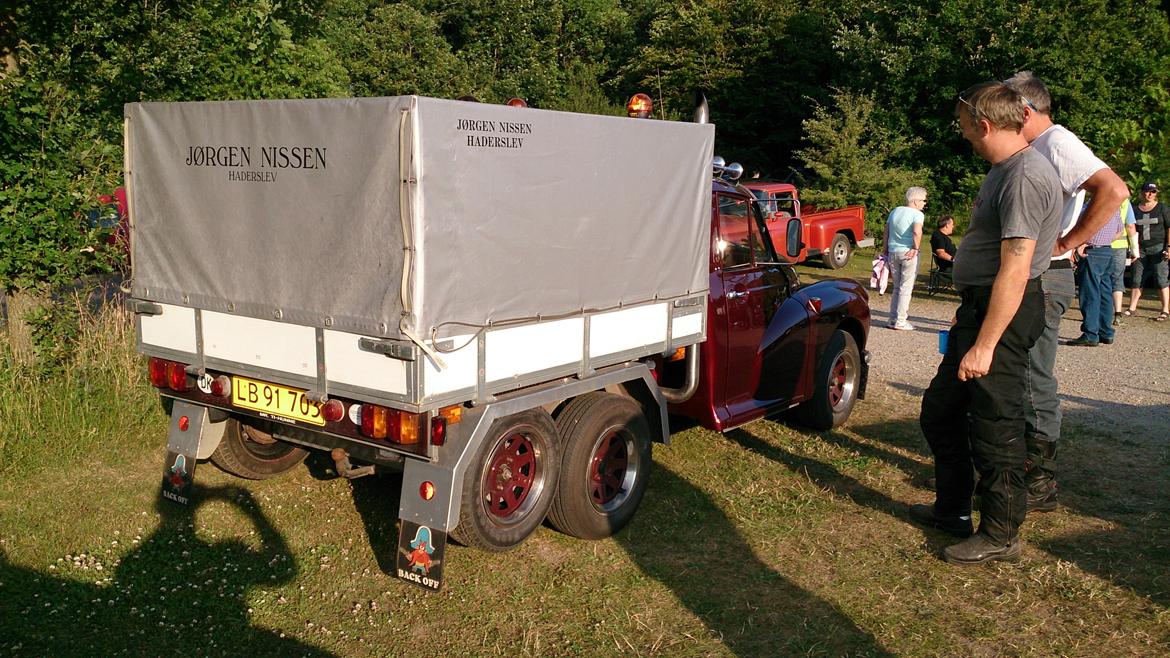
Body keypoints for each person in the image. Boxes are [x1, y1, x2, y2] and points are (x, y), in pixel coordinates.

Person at [912, 81, 1061, 565]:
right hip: (981, 308)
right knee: (941, 411)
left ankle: (1001, 533)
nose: (961, 133)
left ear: (984, 124)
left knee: (997, 424)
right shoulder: (1004, 169)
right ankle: (953, 510)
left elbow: (1016, 267)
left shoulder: (1024, 177)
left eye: (963, 124)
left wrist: (986, 343)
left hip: (1005, 314)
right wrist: (969, 311)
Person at [1003, 71, 1129, 512]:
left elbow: (1114, 189)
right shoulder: (1038, 146)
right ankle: (1011, 468)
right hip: (1032, 272)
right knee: (1014, 373)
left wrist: (1067, 242)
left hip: (1047, 274)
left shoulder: (1057, 143)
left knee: (1033, 376)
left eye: (1007, 110)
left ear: (1025, 111)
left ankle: (1040, 482)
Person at [1065, 203, 1124, 346]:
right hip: (1107, 250)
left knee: (1090, 292)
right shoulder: (1114, 206)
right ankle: (1106, 332)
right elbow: (1120, 231)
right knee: (1105, 292)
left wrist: (1082, 243)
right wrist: (1105, 240)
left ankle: (1090, 333)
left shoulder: (1092, 205)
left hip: (1092, 252)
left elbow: (1084, 227)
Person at [884, 187, 927, 330]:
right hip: (908, 252)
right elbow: (916, 232)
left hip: (893, 251)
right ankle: (901, 321)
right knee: (906, 288)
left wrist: (885, 249)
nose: (924, 203)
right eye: (923, 200)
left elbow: (886, 231)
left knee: (897, 287)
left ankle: (892, 318)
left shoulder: (895, 211)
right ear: (915, 201)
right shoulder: (917, 214)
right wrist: (916, 248)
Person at [1126, 182, 1170, 321]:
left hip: (1158, 248)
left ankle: (1165, 310)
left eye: (1153, 191)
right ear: (1142, 192)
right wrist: (1132, 248)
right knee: (1136, 278)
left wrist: (1168, 248)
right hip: (1140, 248)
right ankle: (1132, 308)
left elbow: (1169, 228)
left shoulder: (1162, 208)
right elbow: (1130, 227)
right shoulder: (1134, 209)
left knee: (1161, 278)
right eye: (1148, 191)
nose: (1150, 194)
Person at [1111, 201, 1139, 326]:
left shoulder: (1099, 194)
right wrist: (1135, 250)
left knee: (1100, 278)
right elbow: (1130, 226)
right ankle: (1117, 313)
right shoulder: (1124, 201)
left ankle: (1098, 313)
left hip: (1100, 245)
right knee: (1117, 279)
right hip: (1119, 246)